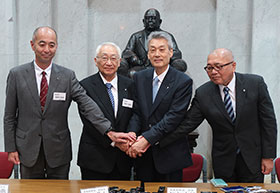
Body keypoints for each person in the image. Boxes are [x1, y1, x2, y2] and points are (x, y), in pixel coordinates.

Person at [3, 26, 133, 179]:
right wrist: (10, 149)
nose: (47, 49)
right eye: (42, 44)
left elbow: (87, 105)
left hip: (58, 152)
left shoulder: (67, 76)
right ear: (33, 45)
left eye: (51, 45)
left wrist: (109, 131)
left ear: (56, 47)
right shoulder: (17, 74)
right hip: (27, 149)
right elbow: (9, 116)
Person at [160, 48, 277, 183]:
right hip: (224, 160)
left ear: (233, 66)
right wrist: (156, 140)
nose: (213, 72)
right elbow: (187, 124)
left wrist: (268, 157)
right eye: (209, 68)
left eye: (218, 67)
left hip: (253, 158)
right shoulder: (204, 93)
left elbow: (268, 122)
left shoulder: (255, 84)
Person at [127, 31, 193, 184]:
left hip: (170, 154)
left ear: (171, 52)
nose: (157, 54)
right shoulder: (140, 77)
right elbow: (136, 111)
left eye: (162, 49)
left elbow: (173, 117)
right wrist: (131, 133)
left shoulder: (183, 81)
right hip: (144, 156)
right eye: (152, 50)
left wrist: (147, 139)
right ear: (148, 54)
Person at [77, 42, 135, 180]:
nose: (109, 62)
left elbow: (134, 115)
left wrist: (130, 137)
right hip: (95, 158)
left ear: (119, 62)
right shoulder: (85, 86)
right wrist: (114, 142)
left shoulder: (130, 85)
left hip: (123, 158)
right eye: (104, 58)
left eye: (113, 58)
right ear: (96, 61)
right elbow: (89, 121)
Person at [120, 8, 183, 76]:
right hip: (142, 66)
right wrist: (134, 57)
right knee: (133, 73)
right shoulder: (136, 36)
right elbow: (126, 52)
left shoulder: (167, 36)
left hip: (162, 66)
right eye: (147, 18)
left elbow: (176, 53)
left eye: (153, 18)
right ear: (143, 21)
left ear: (160, 21)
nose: (150, 21)